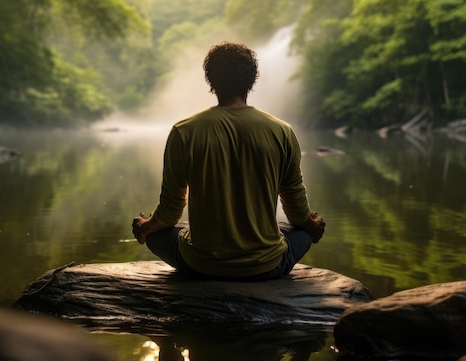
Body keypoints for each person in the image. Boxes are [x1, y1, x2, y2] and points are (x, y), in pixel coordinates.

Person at [132, 42, 325, 281]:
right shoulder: (282, 131)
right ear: (252, 80)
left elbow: (170, 211)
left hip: (201, 265)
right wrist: (312, 226)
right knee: (301, 234)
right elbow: (296, 211)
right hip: (268, 266)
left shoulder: (184, 131)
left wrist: (146, 227)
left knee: (158, 235)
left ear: (210, 80)